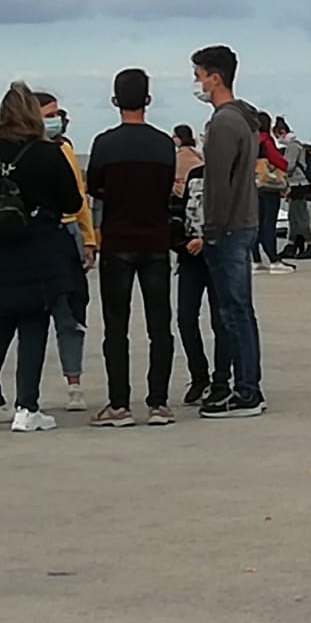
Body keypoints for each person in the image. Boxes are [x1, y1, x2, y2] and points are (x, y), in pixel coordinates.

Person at [86, 68, 178, 426]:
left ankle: (119, 404)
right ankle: (158, 402)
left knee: (116, 326)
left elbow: (94, 185)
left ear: (114, 101)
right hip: (155, 240)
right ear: (148, 100)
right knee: (160, 325)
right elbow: (167, 186)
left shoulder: (104, 143)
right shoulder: (162, 144)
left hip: (118, 240)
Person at [1, 82, 84, 432]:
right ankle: (27, 407)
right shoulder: (47, 153)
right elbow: (73, 202)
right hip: (38, 247)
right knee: (34, 324)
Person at [191, 45, 267, 417]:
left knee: (233, 311)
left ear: (215, 77)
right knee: (239, 310)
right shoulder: (246, 120)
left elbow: (217, 184)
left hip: (229, 228)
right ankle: (245, 384)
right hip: (246, 222)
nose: (197, 83)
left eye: (199, 76)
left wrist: (211, 231)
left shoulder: (223, 123)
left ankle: (247, 391)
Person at [34, 91, 95, 411]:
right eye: (49, 114)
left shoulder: (66, 149)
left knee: (70, 313)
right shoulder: (21, 152)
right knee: (23, 314)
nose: (56, 120)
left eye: (58, 114)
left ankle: (74, 383)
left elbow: (80, 197)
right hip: (32, 234)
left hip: (68, 229)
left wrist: (88, 239)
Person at [174, 155, 230, 408]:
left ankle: (221, 380)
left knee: (222, 320)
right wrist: (181, 242)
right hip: (190, 258)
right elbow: (182, 209)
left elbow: (235, 216)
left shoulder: (233, 176)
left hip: (220, 255)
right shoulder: (195, 174)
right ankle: (198, 376)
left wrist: (207, 239)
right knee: (186, 318)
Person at [253, 110, 293, 273]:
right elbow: (281, 162)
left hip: (253, 186)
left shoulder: (250, 140)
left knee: (256, 223)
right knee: (269, 223)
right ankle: (274, 260)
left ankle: (256, 260)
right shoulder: (266, 140)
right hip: (269, 186)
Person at [277, 117, 311, 258]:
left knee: (299, 217)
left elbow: (289, 166)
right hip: (299, 184)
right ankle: (293, 244)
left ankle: (309, 245)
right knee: (294, 216)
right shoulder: (297, 144)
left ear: (282, 132)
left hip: (298, 184)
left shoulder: (292, 146)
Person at [173, 124, 203, 195]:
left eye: (174, 136)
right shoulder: (198, 154)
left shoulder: (179, 156)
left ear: (180, 137)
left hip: (182, 191)